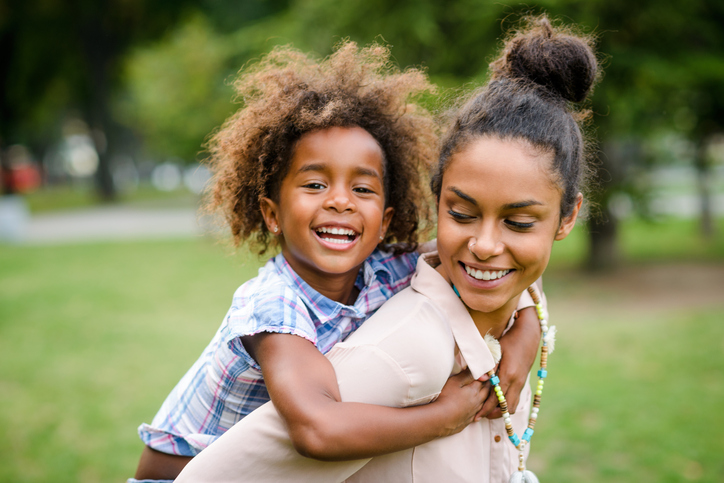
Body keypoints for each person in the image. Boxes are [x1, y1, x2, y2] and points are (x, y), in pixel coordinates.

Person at [174, 15, 599, 483]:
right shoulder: (273, 307)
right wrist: (442, 417)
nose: (339, 200)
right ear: (271, 214)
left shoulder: (385, 268)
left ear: (387, 224)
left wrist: (528, 330)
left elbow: (495, 263)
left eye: (362, 189)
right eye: (315, 184)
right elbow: (316, 430)